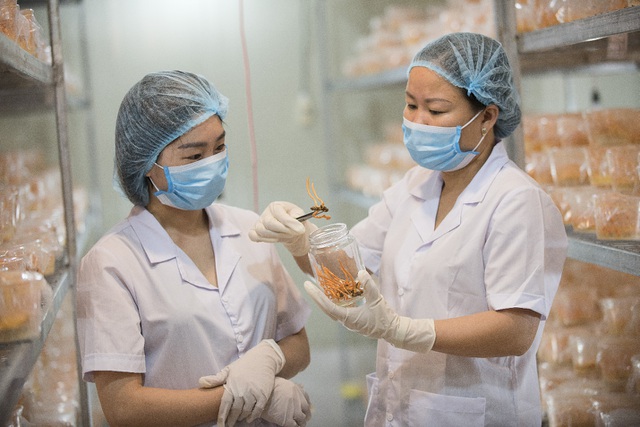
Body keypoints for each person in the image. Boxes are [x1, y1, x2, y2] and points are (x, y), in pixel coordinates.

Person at [249, 32, 568, 426]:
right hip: (401, 406)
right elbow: (349, 276)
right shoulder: (417, 184)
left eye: (435, 110)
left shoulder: (516, 200)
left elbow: (516, 330)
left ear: (487, 117)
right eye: (411, 104)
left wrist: (407, 331)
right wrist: (303, 240)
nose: (417, 121)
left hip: (473, 411)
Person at [76, 70, 312, 427]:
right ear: (146, 164)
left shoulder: (249, 228)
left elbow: (298, 342)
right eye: (194, 156)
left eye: (219, 148)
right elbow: (123, 407)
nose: (212, 163)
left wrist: (270, 360)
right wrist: (245, 397)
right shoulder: (111, 263)